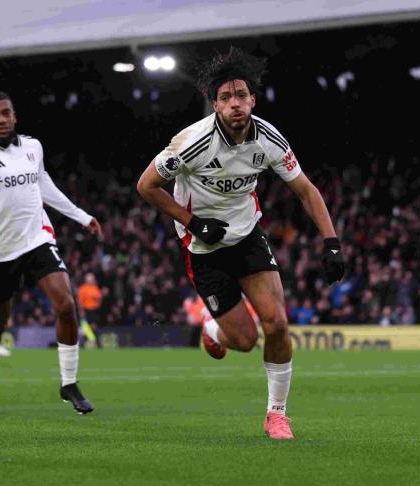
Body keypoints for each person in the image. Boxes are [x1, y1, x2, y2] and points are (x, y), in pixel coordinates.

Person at [137, 47, 345, 439]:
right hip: (203, 248)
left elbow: (305, 189)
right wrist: (193, 223)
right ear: (214, 104)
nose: (235, 104)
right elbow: (146, 186)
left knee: (278, 324)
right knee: (246, 341)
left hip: (247, 236)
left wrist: (331, 242)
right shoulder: (191, 142)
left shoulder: (268, 138)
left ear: (252, 99)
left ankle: (277, 415)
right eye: (226, 98)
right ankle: (214, 329)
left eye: (241, 96)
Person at [0, 91, 102, 414]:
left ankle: (69, 383)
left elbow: (44, 185)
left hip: (37, 240)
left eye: (7, 113)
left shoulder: (33, 147)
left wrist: (81, 216)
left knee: (66, 304)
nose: (2, 120)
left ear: (15, 115)